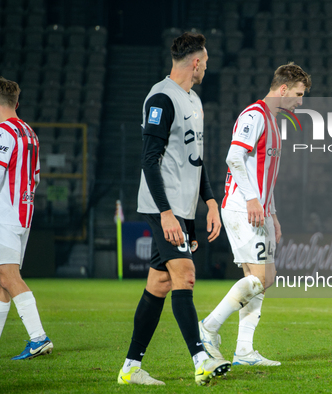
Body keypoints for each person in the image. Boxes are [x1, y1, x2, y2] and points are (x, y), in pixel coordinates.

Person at [117, 32, 230, 387]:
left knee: (160, 282)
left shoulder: (193, 100)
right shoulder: (162, 98)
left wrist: (209, 201)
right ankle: (201, 359)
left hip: (181, 207)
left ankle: (131, 367)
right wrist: (166, 212)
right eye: (206, 62)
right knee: (185, 275)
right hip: (160, 204)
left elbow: (195, 160)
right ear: (195, 62)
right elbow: (149, 161)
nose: (206, 67)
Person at [199, 63, 311, 366]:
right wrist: (252, 200)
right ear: (284, 88)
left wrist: (272, 214)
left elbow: (265, 176)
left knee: (264, 277)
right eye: (299, 94)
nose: (301, 102)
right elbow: (234, 158)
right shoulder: (254, 116)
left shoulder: (274, 122)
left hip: (258, 210)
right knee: (260, 277)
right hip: (240, 206)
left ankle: (245, 351)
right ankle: (208, 328)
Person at [0, 77, 52, 360]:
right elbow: (37, 177)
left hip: (5, 215)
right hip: (22, 213)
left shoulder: (2, 132)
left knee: (8, 276)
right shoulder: (30, 132)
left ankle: (38, 338)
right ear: (16, 103)